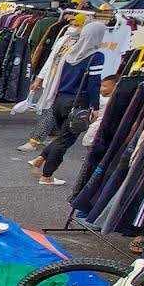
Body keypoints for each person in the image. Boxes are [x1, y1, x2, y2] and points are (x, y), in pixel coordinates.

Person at [30, 20, 105, 186]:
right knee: (66, 140)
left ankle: (41, 159)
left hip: (60, 99)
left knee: (62, 136)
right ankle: (46, 176)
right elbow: (94, 83)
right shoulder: (95, 56)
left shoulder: (71, 52)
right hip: (78, 103)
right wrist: (95, 106)